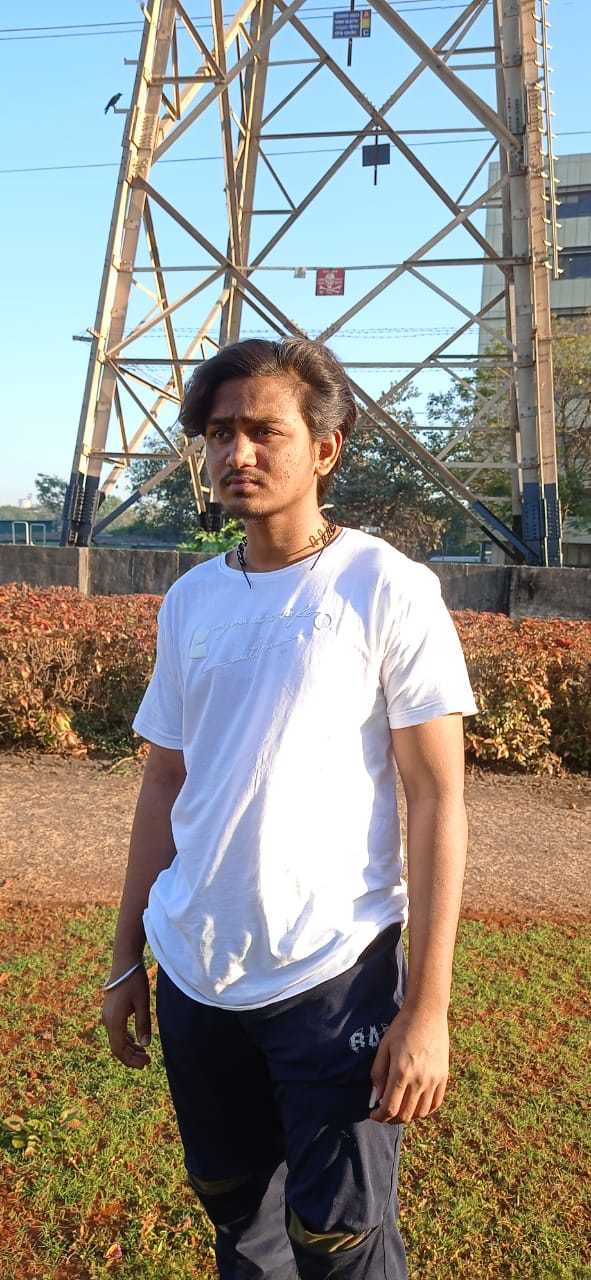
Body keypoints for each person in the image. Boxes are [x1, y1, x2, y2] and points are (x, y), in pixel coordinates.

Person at [102, 337, 479, 1278]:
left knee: (339, 1239)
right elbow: (163, 783)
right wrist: (125, 960)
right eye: (218, 433)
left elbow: (436, 798)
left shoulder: (386, 587)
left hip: (332, 973)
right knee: (238, 1218)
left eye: (263, 430)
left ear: (325, 448)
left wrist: (426, 1010)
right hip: (196, 973)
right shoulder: (190, 600)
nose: (237, 453)